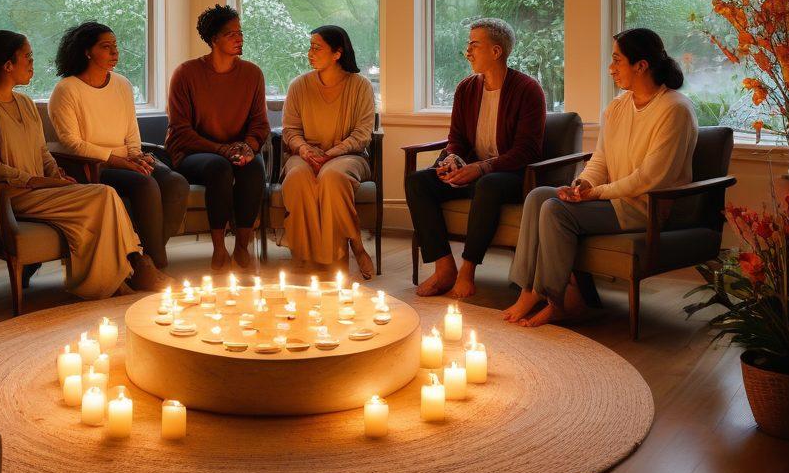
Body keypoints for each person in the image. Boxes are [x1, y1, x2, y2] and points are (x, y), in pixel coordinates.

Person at [505, 28, 697, 327]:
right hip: (614, 200)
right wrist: (584, 184)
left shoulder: (674, 109)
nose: (611, 68)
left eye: (617, 60)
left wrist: (596, 193)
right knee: (539, 195)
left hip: (645, 206)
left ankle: (554, 300)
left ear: (641, 65)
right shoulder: (617, 107)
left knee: (555, 210)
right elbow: (601, 158)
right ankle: (528, 290)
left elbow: (649, 178)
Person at [0, 30, 167, 299]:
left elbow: (42, 151)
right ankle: (130, 268)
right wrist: (38, 181)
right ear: (8, 65)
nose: (32, 63)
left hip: (44, 191)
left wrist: (54, 173)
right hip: (16, 196)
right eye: (28, 56)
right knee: (103, 194)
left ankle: (118, 275)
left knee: (105, 196)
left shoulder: (25, 103)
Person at [406, 18, 546, 300]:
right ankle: (444, 267)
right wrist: (452, 159)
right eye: (468, 45)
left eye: (474, 45)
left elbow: (526, 150)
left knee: (488, 184)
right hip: (472, 170)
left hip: (511, 175)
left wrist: (482, 168)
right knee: (419, 181)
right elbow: (456, 137)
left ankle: (467, 271)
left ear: (496, 51)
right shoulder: (466, 88)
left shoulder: (528, 90)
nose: (467, 52)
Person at [48, 21, 188, 271]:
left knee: (176, 183)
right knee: (145, 183)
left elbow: (131, 131)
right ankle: (156, 264)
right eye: (106, 47)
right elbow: (71, 142)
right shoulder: (66, 89)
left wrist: (136, 156)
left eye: (115, 46)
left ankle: (145, 257)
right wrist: (117, 160)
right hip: (95, 166)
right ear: (87, 51)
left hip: (127, 159)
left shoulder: (122, 84)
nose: (115, 52)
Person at [165, 5, 270, 271]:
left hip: (237, 148)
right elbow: (181, 130)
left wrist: (248, 147)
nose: (239, 38)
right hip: (193, 152)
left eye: (240, 32)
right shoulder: (186, 73)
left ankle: (242, 246)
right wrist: (221, 150)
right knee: (219, 167)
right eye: (230, 34)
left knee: (254, 167)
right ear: (213, 39)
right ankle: (219, 248)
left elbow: (259, 123)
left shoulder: (252, 74)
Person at [280, 26, 376, 277]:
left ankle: (354, 246)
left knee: (332, 177)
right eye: (310, 47)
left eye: (316, 48)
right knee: (298, 177)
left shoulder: (360, 86)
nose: (310, 53)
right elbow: (290, 130)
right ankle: (306, 254)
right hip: (304, 155)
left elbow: (363, 133)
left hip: (347, 156)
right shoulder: (298, 86)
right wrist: (304, 149)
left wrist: (333, 153)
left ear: (337, 53)